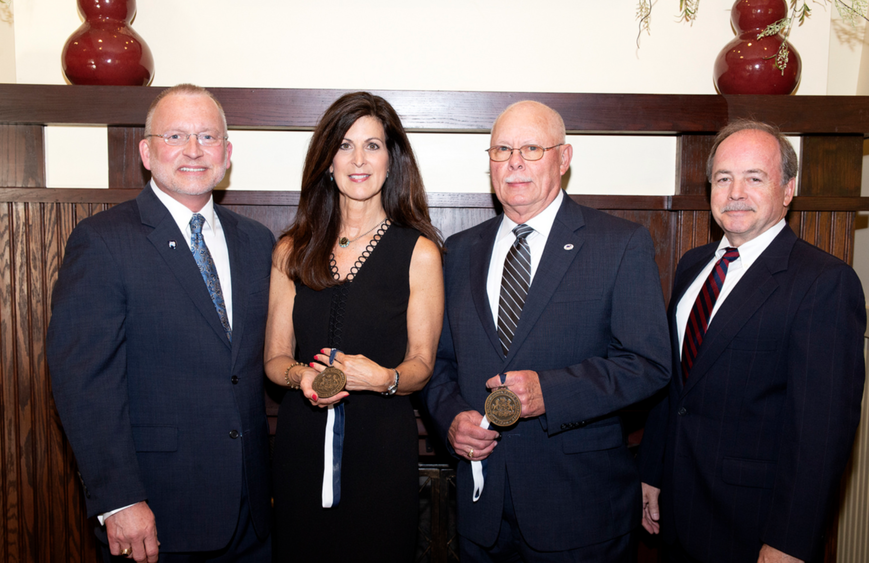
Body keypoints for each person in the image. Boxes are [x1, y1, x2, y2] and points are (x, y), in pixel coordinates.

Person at [422, 100, 671, 561]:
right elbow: (437, 363)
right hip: (482, 513)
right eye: (502, 150)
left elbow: (649, 364)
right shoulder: (458, 251)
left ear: (564, 157)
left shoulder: (619, 243)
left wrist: (550, 393)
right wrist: (452, 418)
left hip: (579, 512)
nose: (514, 162)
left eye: (532, 148)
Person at [47, 84, 274, 562]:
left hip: (251, 515)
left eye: (208, 137)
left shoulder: (257, 243)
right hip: (156, 511)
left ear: (227, 153)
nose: (193, 150)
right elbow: (82, 383)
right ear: (147, 152)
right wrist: (119, 500)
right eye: (175, 136)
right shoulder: (103, 241)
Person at [637, 120, 867, 563]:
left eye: (754, 178)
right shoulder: (693, 265)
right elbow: (675, 387)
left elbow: (821, 433)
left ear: (788, 189)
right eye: (723, 178)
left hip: (754, 527)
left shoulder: (824, 283)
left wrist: (790, 541)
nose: (735, 191)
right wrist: (652, 471)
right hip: (679, 509)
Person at [265, 91, 444, 562]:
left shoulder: (420, 251)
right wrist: (301, 376)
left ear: (392, 159)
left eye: (373, 145)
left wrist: (383, 378)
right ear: (327, 160)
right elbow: (274, 359)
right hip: (301, 444)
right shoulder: (291, 249)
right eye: (345, 145)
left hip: (381, 446)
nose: (358, 159)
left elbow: (423, 364)